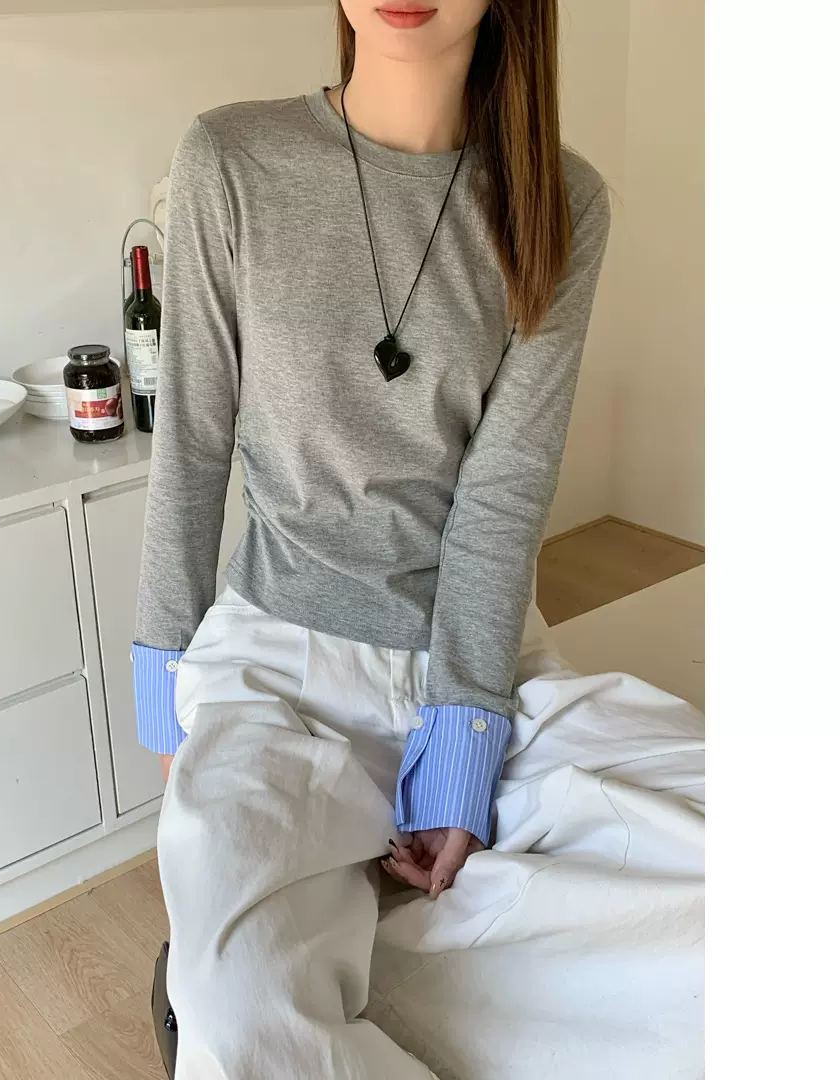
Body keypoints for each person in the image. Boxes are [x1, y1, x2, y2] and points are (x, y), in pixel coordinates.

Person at [132, 2, 610, 1075]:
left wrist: (461, 746)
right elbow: (192, 441)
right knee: (243, 1018)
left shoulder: (562, 202)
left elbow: (503, 495)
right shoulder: (231, 158)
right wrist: (169, 695)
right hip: (276, 657)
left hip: (475, 655)